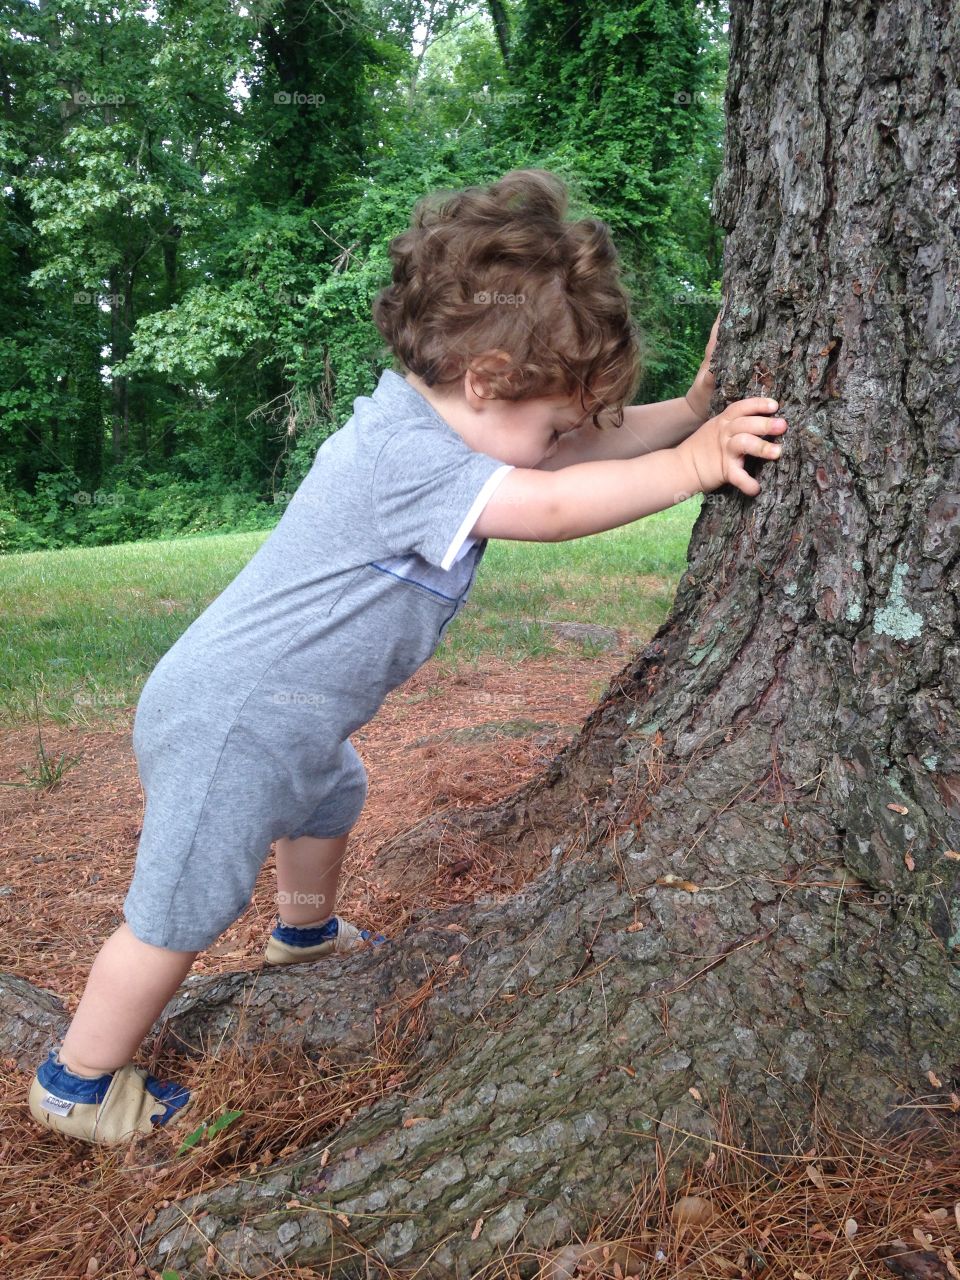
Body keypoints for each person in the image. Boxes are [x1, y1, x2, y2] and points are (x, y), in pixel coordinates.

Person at [27, 168, 788, 1145]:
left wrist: (690, 410)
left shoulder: (450, 428)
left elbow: (562, 452)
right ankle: (79, 1080)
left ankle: (303, 932)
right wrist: (690, 465)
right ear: (486, 381)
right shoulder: (403, 458)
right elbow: (549, 504)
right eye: (554, 418)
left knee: (332, 793)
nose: (564, 438)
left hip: (286, 715)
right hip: (234, 717)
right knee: (177, 909)